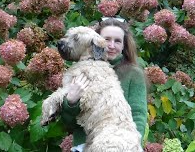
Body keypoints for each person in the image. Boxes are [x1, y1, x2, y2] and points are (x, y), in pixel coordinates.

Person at [60, 18, 148, 151]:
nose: (111, 45)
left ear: (124, 45)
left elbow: (138, 116)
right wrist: (71, 102)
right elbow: (68, 122)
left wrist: (132, 147)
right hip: (83, 146)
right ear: (95, 41)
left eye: (117, 41)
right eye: (107, 39)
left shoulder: (133, 73)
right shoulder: (80, 71)